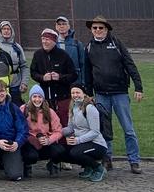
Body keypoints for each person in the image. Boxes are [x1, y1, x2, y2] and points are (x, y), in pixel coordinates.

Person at [84, 15, 143, 174]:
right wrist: (89, 93)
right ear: (91, 30)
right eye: (95, 28)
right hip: (101, 94)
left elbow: (130, 65)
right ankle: (107, 159)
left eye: (101, 28)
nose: (98, 30)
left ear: (106, 29)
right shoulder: (89, 47)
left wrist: (138, 87)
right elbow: (87, 72)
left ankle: (134, 160)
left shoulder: (117, 43)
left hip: (120, 93)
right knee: (105, 129)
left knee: (128, 128)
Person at [30, 28, 77, 126]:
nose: (44, 42)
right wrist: (42, 78)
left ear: (54, 41)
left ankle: (64, 136)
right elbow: (33, 73)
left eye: (47, 39)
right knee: (47, 123)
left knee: (64, 123)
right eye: (43, 39)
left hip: (62, 97)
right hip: (45, 97)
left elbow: (73, 75)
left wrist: (59, 77)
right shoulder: (38, 55)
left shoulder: (63, 55)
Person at [62, 84, 108, 182]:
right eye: (73, 93)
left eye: (78, 92)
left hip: (97, 144)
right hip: (83, 143)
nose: (75, 95)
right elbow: (71, 128)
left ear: (84, 94)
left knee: (75, 153)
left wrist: (78, 140)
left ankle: (98, 168)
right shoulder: (73, 107)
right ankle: (88, 166)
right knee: (63, 151)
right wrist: (58, 132)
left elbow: (95, 132)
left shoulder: (90, 108)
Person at [20, 85, 65, 178]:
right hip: (30, 142)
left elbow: (59, 131)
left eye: (39, 97)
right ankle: (27, 165)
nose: (37, 99)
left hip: (46, 142)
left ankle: (53, 164)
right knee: (31, 156)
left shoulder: (50, 111)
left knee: (60, 151)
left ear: (43, 98)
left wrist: (49, 140)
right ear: (30, 98)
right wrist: (31, 139)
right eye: (34, 96)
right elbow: (19, 128)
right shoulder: (24, 109)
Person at [0, 21, 29, 106]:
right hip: (0, 85)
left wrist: (24, 82)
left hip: (15, 85)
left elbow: (24, 66)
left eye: (8, 29)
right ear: (0, 31)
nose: (6, 31)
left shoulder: (17, 47)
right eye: (4, 29)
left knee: (15, 108)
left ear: (11, 31)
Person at [55, 15, 86, 82]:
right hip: (59, 82)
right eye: (59, 24)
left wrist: (83, 82)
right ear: (56, 27)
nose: (61, 26)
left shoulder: (77, 44)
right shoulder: (53, 44)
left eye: (64, 24)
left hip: (75, 81)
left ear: (68, 26)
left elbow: (83, 65)